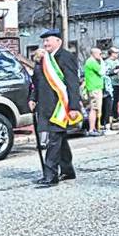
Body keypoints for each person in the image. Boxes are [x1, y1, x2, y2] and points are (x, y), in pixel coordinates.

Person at [27, 29, 81, 187]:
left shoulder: (66, 57)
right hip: (45, 105)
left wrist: (73, 106)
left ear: (58, 41)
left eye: (48, 41)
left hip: (60, 106)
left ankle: (50, 175)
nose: (45, 44)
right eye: (44, 41)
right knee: (59, 138)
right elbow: (35, 82)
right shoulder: (43, 59)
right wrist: (32, 98)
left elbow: (72, 83)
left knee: (54, 140)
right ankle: (67, 170)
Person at [84, 47, 104, 136]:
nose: (101, 56)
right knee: (94, 108)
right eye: (99, 54)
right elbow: (102, 71)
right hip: (94, 88)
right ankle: (92, 129)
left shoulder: (91, 61)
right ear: (94, 54)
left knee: (96, 109)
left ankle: (94, 128)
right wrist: (102, 61)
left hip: (95, 87)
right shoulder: (92, 62)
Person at [105, 47, 119, 121]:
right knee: (111, 101)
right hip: (111, 84)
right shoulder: (107, 62)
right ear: (111, 53)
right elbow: (107, 72)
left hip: (118, 83)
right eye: (116, 53)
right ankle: (110, 116)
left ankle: (116, 115)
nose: (117, 54)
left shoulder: (118, 61)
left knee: (116, 100)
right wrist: (115, 71)